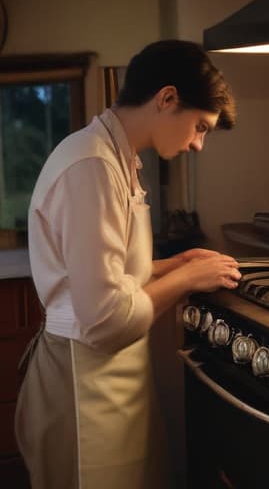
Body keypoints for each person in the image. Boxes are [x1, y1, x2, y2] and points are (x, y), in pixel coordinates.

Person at [15, 39, 241, 489]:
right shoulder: (91, 166)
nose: (198, 144)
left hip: (109, 381)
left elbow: (103, 272)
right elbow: (106, 319)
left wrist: (169, 265)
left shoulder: (113, 157)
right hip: (84, 384)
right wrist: (187, 279)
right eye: (200, 126)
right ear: (167, 98)